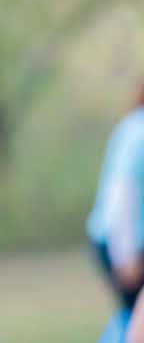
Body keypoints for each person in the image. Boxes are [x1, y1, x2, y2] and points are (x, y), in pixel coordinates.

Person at [88, 85, 144, 342]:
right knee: (133, 319)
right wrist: (126, 257)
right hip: (121, 243)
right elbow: (121, 196)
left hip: (123, 242)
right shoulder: (139, 132)